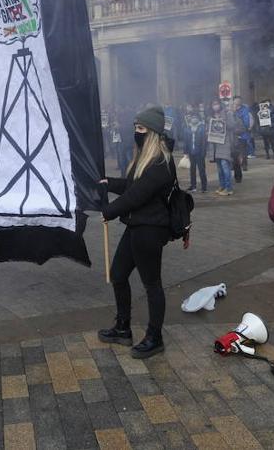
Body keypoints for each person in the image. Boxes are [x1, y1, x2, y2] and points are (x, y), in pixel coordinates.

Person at [97, 106, 175, 360]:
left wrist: (109, 210)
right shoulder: (142, 157)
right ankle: (122, 327)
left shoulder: (161, 161)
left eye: (140, 129)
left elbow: (138, 195)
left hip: (150, 229)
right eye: (135, 128)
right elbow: (132, 186)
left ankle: (155, 337)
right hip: (135, 226)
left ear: (152, 132)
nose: (136, 132)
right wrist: (109, 183)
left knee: (152, 284)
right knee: (118, 275)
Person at [207, 100, 234, 196]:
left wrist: (223, 121)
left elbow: (232, 126)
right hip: (215, 145)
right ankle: (222, 186)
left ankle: (228, 188)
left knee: (225, 167)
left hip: (224, 144)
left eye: (217, 104)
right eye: (213, 104)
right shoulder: (210, 117)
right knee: (219, 169)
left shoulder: (227, 114)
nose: (215, 106)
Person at [179, 110, 208, 193]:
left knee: (202, 170)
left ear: (198, 118)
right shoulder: (187, 128)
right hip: (191, 152)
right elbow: (186, 141)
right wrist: (185, 152)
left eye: (195, 117)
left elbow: (204, 142)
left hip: (200, 152)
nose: (194, 119)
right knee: (192, 170)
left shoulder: (202, 127)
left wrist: (203, 152)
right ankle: (193, 186)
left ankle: (204, 187)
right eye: (192, 117)